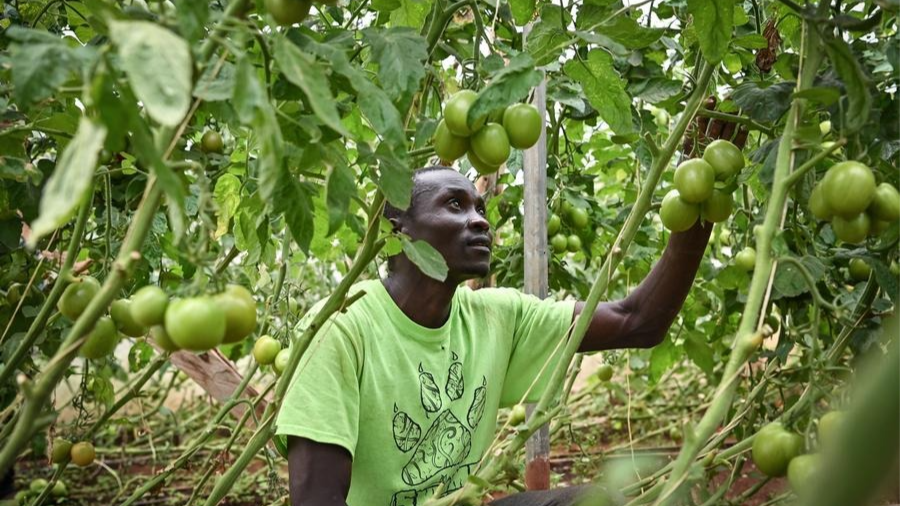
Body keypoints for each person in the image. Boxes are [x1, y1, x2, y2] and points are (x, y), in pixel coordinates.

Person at [275, 116, 744, 506]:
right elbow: (317, 498)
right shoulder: (341, 326)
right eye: (454, 205)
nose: (479, 219)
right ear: (399, 231)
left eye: (480, 207)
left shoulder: (497, 318)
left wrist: (697, 196)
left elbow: (639, 321)